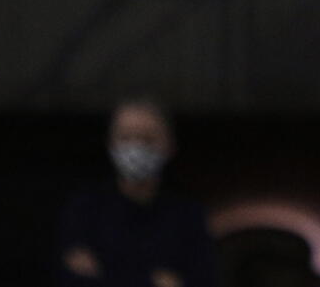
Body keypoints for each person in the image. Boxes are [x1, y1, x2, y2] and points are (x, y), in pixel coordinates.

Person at [57, 98, 217, 287]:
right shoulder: (84, 210)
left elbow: (203, 279)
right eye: (126, 138)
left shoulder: (189, 216)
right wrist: (153, 280)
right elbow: (69, 279)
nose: (136, 148)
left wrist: (105, 273)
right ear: (111, 144)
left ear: (169, 146)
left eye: (147, 139)